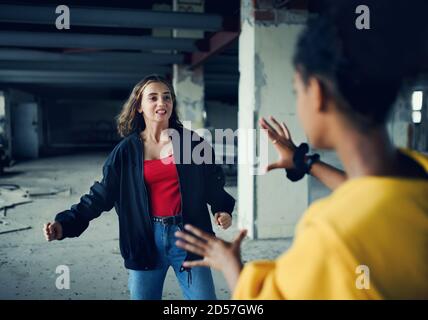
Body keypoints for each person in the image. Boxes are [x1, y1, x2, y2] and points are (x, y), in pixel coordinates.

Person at [175, 1, 428, 299]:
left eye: (297, 90)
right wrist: (302, 161)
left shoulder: (331, 232)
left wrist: (230, 265)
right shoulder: (417, 172)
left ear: (317, 93)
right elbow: (373, 194)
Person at [43, 74, 235, 300]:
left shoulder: (191, 144)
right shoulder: (126, 151)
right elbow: (101, 195)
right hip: (144, 238)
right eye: (153, 98)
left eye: (166, 97)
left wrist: (222, 209)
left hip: (190, 237)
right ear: (139, 107)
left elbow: (212, 182)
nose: (161, 103)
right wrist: (65, 223)